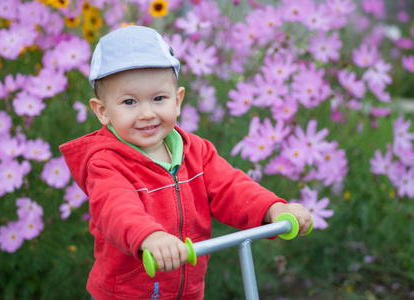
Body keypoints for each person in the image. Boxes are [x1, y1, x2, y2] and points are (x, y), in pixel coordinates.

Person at [59, 25, 312, 300]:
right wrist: (148, 237)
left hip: (187, 290)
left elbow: (230, 187)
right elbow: (116, 209)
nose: (147, 113)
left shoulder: (196, 151)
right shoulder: (106, 164)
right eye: (129, 102)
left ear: (177, 101)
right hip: (129, 293)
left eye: (159, 98)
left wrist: (271, 208)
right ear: (103, 111)